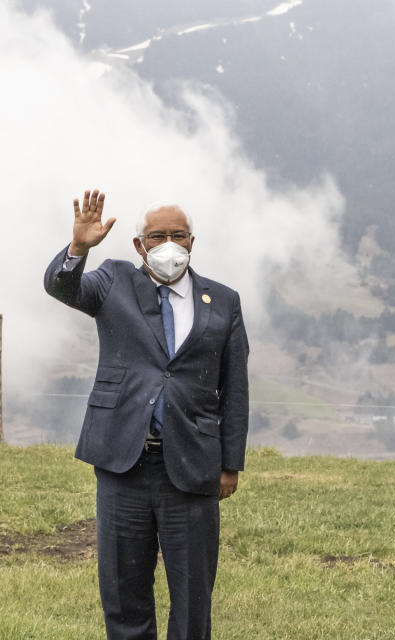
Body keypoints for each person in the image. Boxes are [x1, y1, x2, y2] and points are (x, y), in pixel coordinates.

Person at [44, 189, 249, 640]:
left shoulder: (225, 301)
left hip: (193, 466)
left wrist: (230, 463)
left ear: (192, 241)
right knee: (123, 592)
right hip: (123, 462)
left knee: (193, 597)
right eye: (157, 236)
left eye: (178, 235)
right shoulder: (113, 281)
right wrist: (78, 248)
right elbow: (62, 287)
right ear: (139, 245)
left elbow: (234, 388)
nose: (168, 244)